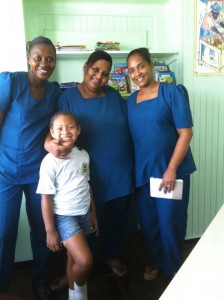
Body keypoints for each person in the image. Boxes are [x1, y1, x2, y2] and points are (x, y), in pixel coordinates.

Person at [45, 50, 135, 277]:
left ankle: (112, 256)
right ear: (86, 67)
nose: (99, 77)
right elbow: (57, 129)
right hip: (85, 174)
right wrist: (49, 144)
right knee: (88, 225)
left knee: (116, 220)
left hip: (119, 171)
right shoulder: (67, 97)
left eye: (105, 74)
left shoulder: (114, 96)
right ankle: (83, 267)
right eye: (95, 70)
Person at [126, 48, 196, 280]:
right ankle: (158, 261)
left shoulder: (171, 93)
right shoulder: (130, 102)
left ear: (151, 65)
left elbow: (185, 134)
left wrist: (171, 169)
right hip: (144, 174)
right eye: (131, 70)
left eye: (141, 66)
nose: (137, 73)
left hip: (170, 173)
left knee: (170, 223)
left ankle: (173, 269)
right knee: (150, 224)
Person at [0, 36, 61, 299]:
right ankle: (2, 287)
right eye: (38, 57)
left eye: (49, 59)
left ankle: (40, 279)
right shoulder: (10, 82)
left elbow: (51, 128)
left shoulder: (54, 91)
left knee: (42, 229)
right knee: (5, 231)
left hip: (38, 174)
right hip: (6, 173)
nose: (44, 63)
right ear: (28, 58)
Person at [37, 111, 97, 300]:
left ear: (78, 130)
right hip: (64, 217)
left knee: (73, 259)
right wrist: (50, 230)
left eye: (70, 127)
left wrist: (93, 213)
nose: (66, 131)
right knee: (85, 261)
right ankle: (80, 294)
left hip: (85, 213)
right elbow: (45, 198)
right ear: (52, 133)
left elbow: (87, 185)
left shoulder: (83, 154)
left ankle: (74, 296)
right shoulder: (49, 162)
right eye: (60, 128)